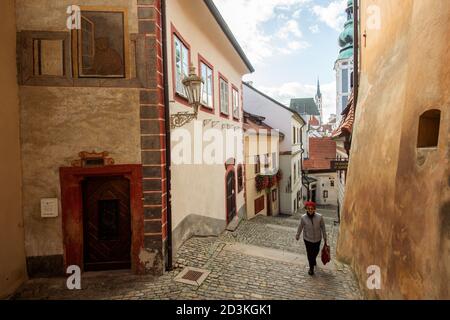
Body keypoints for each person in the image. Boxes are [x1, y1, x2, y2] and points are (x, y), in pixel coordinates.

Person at [296, 201, 328, 276]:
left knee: (316, 251)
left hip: (317, 238)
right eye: (308, 209)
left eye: (312, 209)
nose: (310, 210)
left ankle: (313, 260)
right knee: (309, 253)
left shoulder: (320, 217)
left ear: (314, 209)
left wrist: (324, 236)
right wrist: (298, 235)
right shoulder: (303, 217)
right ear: (306, 209)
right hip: (307, 239)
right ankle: (311, 268)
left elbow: (323, 227)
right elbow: (300, 226)